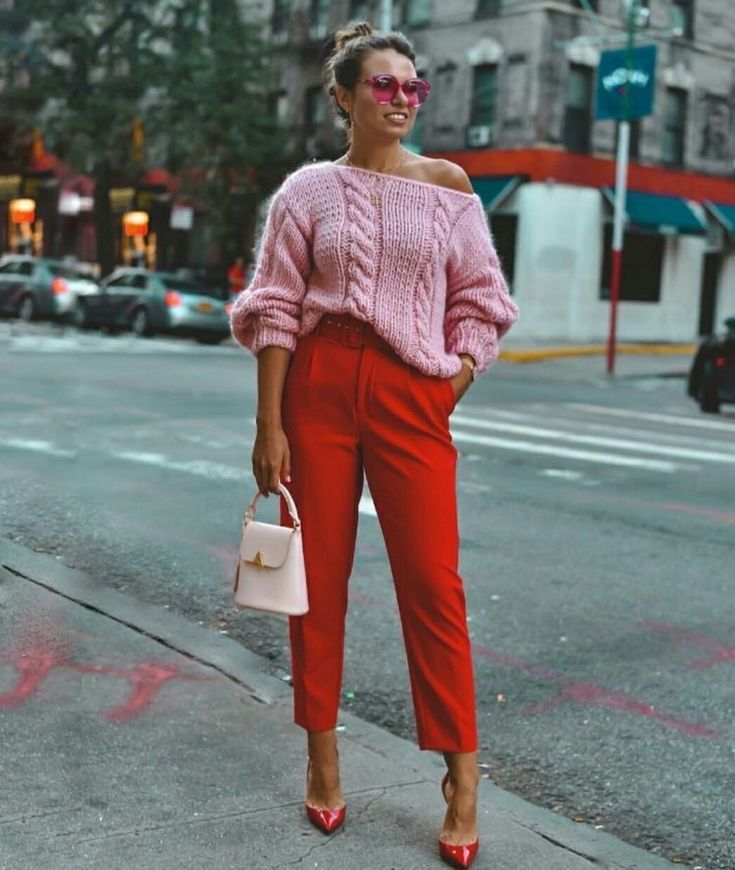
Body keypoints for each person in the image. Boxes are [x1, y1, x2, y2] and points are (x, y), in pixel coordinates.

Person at [230, 21, 518, 869]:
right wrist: (268, 422)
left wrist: (447, 383)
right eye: (384, 84)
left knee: (433, 584)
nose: (401, 98)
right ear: (347, 96)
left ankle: (461, 779)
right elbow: (276, 306)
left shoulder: (448, 185)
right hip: (317, 387)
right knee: (312, 585)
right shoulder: (308, 192)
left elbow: (481, 302)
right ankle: (323, 760)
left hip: (408, 392)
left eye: (412, 85)